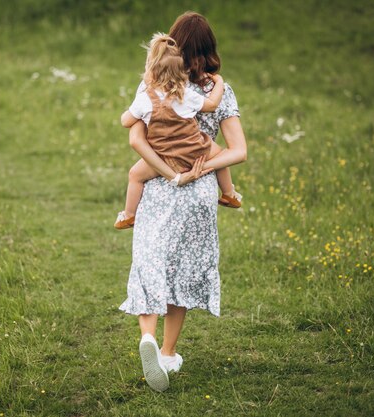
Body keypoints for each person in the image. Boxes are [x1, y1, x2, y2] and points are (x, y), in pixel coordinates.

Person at [118, 11, 248, 392]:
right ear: (209, 50)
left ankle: (147, 335)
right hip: (201, 190)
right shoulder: (215, 92)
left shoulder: (153, 84)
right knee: (185, 271)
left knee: (149, 260)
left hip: (159, 185)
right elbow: (238, 151)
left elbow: (135, 138)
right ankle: (168, 353)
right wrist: (201, 165)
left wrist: (169, 170)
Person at [114, 33, 242, 230]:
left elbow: (125, 122)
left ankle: (129, 215)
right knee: (222, 156)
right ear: (182, 73)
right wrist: (219, 83)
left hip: (164, 157)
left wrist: (134, 111)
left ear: (152, 73)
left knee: (135, 175)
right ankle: (228, 193)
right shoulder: (187, 96)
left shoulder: (145, 99)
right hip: (195, 151)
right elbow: (212, 105)